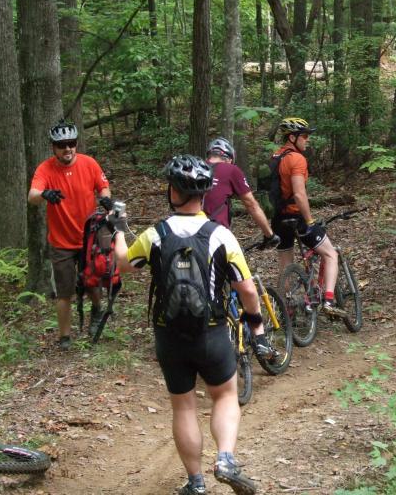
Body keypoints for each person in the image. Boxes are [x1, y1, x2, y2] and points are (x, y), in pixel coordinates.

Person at [112, 155, 257, 495]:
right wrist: (256, 323)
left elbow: (124, 265)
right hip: (212, 332)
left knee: (184, 404)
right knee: (224, 395)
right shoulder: (221, 235)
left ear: (172, 192)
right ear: (205, 195)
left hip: (169, 335)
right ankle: (225, 459)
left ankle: (196, 482)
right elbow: (247, 290)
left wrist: (118, 228)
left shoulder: (155, 234)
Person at [27, 120, 112, 350]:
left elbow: (103, 186)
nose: (67, 149)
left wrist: (105, 198)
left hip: (88, 238)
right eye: (62, 145)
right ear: (53, 147)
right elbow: (32, 195)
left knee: (92, 282)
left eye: (71, 143)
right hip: (61, 242)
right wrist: (45, 194)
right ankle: (64, 337)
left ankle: (96, 312)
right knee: (64, 292)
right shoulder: (45, 169)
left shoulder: (89, 164)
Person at [203, 137, 280, 358]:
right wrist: (269, 234)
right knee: (247, 288)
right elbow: (250, 203)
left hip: (188, 237)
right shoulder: (231, 170)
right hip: (218, 238)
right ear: (229, 156)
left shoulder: (194, 169)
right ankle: (260, 339)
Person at [270, 117, 345, 317]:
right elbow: (299, 193)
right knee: (330, 254)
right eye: (304, 136)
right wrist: (310, 220)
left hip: (278, 219)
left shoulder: (275, 156)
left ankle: (288, 310)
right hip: (296, 217)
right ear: (292, 137)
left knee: (285, 264)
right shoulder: (297, 159)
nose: (307, 140)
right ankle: (328, 302)